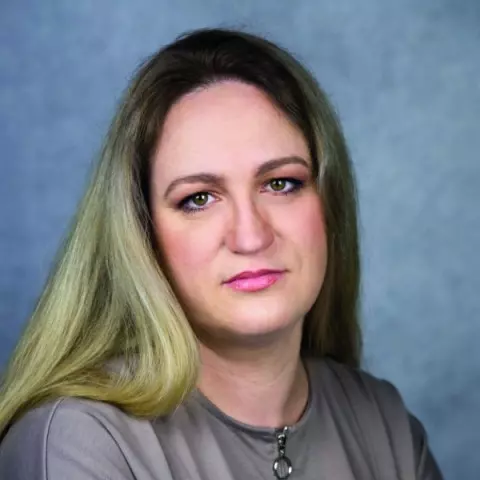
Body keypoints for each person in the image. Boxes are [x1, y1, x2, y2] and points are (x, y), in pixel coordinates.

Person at [0, 28, 442, 479]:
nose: (250, 237)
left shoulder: (384, 424)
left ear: (330, 205)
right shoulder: (77, 441)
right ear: (141, 233)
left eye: (280, 184)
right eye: (199, 199)